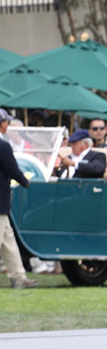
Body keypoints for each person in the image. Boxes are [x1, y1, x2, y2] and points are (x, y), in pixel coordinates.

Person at [0, 109, 36, 288]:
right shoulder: (3, 146)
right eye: (6, 122)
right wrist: (26, 182)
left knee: (8, 241)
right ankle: (18, 277)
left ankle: (19, 277)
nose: (7, 125)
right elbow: (13, 170)